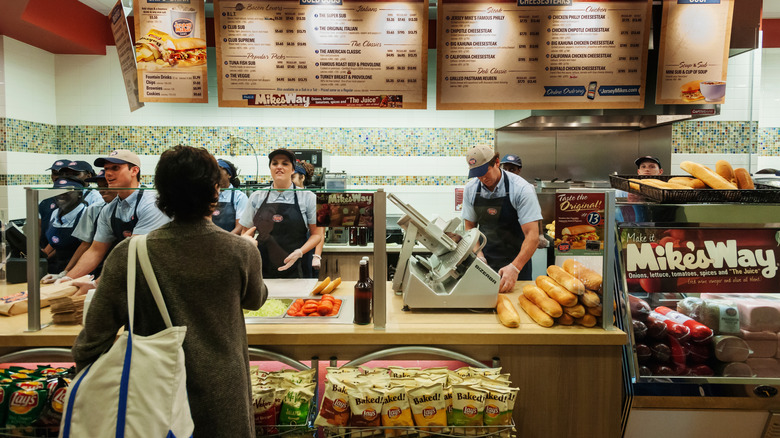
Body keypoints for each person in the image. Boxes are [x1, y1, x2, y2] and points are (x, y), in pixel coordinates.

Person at [72, 145, 267, 437]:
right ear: (215, 191)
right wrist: (252, 254)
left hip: (150, 399)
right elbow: (255, 300)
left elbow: (91, 342)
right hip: (222, 397)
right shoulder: (239, 251)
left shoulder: (129, 253)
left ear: (161, 193)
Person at [62, 149, 171, 281]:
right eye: (106, 169)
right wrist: (67, 279)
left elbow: (134, 252)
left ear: (134, 171)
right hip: (130, 275)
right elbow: (96, 251)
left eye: (115, 168)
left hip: (159, 277)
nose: (108, 174)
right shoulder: (109, 209)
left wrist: (99, 283)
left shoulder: (151, 203)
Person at [462, 144, 542, 293]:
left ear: (497, 162)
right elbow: (469, 228)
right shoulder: (471, 189)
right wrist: (478, 255)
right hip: (486, 263)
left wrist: (515, 267)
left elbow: (533, 236)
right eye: (477, 174)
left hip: (518, 265)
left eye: (484, 172)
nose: (482, 178)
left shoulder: (522, 189)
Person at [239, 148, 323, 279]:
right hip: (261, 267)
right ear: (270, 168)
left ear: (293, 169)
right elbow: (245, 232)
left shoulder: (308, 197)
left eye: (285, 163)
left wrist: (300, 252)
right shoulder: (257, 197)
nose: (279, 167)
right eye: (275, 163)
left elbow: (317, 234)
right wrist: (249, 243)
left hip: (297, 266)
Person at [41, 178, 88, 275]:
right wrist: (40, 258)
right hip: (56, 268)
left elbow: (85, 246)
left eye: (67, 191)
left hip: (78, 270)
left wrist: (65, 273)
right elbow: (56, 242)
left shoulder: (86, 213)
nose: (61, 194)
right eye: (57, 191)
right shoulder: (55, 213)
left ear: (79, 194)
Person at [292, 162, 324, 278]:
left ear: (303, 177)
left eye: (293, 177)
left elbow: (320, 232)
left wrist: (316, 256)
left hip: (308, 253)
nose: (290, 181)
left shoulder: (311, 197)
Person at [213, 159, 248, 234]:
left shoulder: (239, 197)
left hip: (231, 242)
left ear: (229, 175)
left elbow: (240, 227)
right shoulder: (208, 195)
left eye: (218, 169)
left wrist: (226, 241)